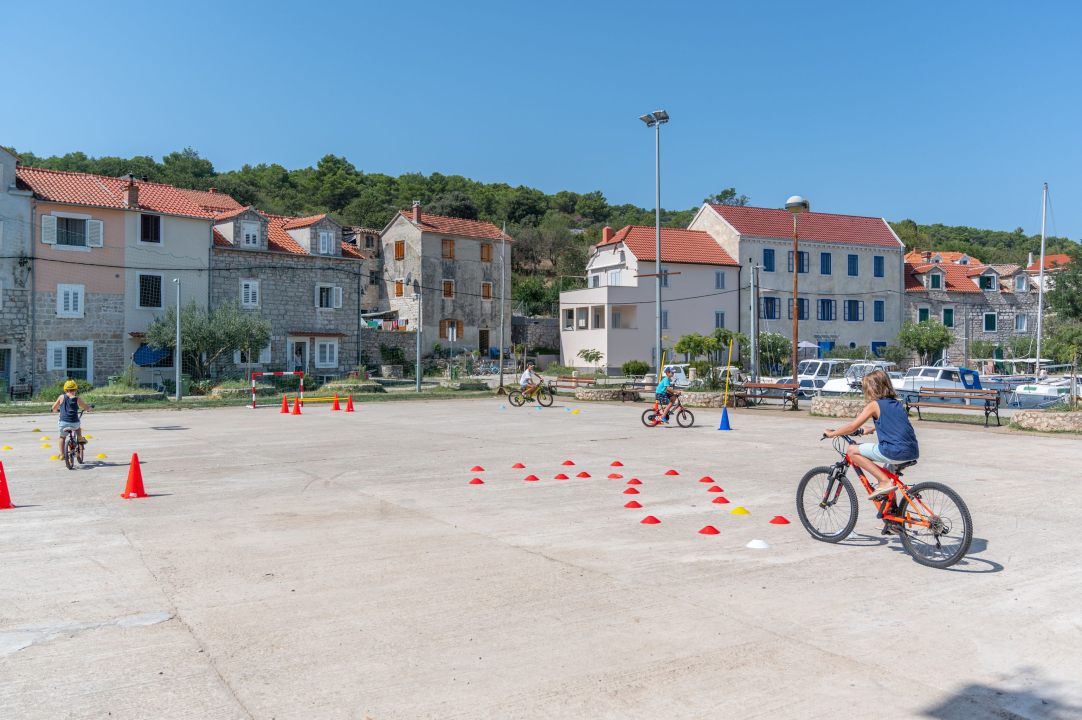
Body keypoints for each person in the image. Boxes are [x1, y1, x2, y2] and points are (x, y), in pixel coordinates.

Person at [824, 369, 919, 500]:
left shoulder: (874, 405)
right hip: (912, 450)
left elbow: (852, 427)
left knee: (852, 450)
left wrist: (832, 434)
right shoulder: (896, 403)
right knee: (888, 473)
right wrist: (870, 429)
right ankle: (892, 511)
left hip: (894, 451)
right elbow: (893, 423)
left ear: (873, 388)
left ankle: (884, 481)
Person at [51, 380, 92, 445]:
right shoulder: (77, 398)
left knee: (62, 438)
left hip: (63, 423)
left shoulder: (61, 397)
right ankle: (79, 437)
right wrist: (89, 407)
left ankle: (62, 452)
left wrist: (56, 411)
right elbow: (86, 408)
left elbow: (53, 408)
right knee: (78, 429)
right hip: (74, 423)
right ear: (76, 390)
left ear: (65, 390)